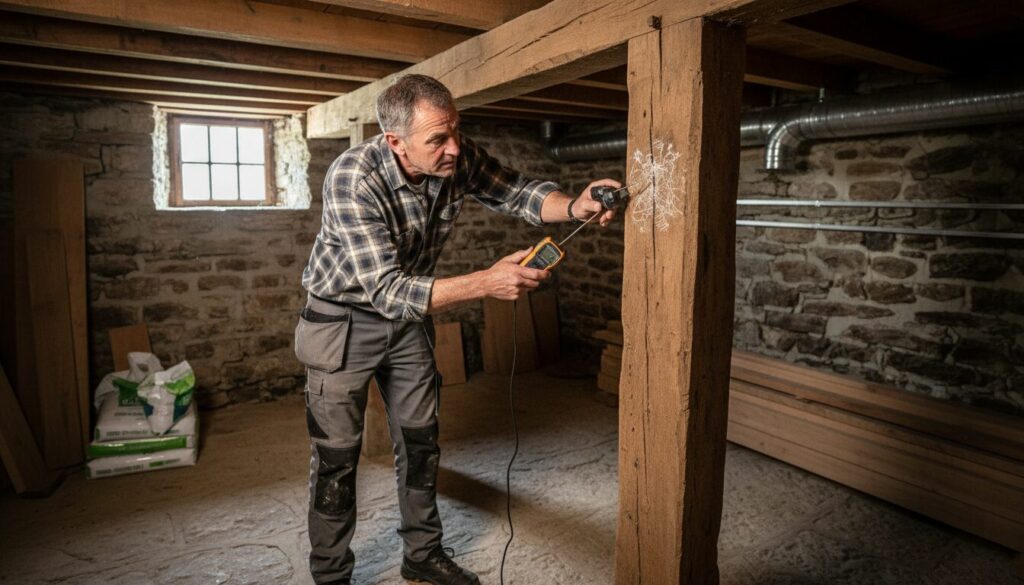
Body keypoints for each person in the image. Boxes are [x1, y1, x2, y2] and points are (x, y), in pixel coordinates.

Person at [295, 73, 619, 585]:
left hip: (407, 325)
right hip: (343, 321)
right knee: (336, 459)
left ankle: (421, 554)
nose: (453, 149)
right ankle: (331, 574)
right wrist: (488, 281)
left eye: (455, 132)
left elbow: (517, 191)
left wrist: (574, 206)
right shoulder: (353, 177)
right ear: (395, 142)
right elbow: (388, 292)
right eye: (437, 140)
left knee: (421, 442)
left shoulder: (456, 155)